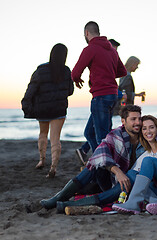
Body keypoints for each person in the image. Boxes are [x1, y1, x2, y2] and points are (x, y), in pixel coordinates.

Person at [40, 105, 146, 211]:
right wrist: (117, 171)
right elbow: (100, 152)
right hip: (114, 180)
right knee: (95, 164)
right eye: (133, 119)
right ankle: (57, 199)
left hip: (132, 183)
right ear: (123, 121)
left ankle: (70, 204)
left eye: (139, 119)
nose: (138, 122)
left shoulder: (146, 136)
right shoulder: (116, 135)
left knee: (128, 179)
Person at [72, 21, 127, 163]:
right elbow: (122, 71)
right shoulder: (112, 50)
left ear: (86, 33)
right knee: (89, 133)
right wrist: (106, 73)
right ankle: (101, 161)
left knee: (101, 137)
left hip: (101, 95)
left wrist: (78, 80)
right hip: (112, 95)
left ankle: (105, 165)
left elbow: (75, 73)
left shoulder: (90, 49)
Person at [21, 43, 74, 178]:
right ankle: (53, 168)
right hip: (59, 110)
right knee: (55, 139)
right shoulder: (66, 71)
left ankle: (41, 160)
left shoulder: (41, 70)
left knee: (43, 134)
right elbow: (70, 91)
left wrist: (26, 103)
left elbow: (31, 88)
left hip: (43, 109)